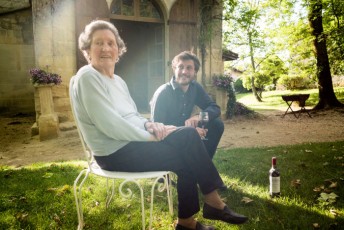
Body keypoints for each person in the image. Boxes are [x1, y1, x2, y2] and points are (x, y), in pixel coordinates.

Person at [70, 20, 247, 230]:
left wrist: (150, 125)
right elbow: (110, 125)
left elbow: (133, 116)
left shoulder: (118, 81)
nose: (106, 48)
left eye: (111, 43)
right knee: (188, 148)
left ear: (119, 50)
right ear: (87, 51)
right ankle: (209, 208)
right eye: (98, 43)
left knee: (190, 139)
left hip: (132, 143)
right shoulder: (88, 76)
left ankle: (194, 217)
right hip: (113, 153)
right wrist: (152, 135)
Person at [150, 51, 224, 160]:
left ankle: (204, 163)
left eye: (189, 68)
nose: (184, 71)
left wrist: (199, 116)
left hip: (186, 133)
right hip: (166, 140)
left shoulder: (195, 88)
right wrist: (190, 133)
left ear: (195, 72)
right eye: (180, 67)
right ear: (174, 69)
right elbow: (158, 129)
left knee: (217, 124)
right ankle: (198, 167)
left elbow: (215, 108)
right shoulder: (163, 93)